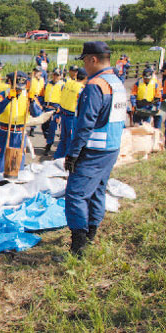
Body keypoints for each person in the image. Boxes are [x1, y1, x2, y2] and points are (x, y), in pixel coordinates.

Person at [65, 41, 127, 255]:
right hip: (110, 149)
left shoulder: (95, 85)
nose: (84, 67)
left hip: (92, 150)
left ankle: (79, 245)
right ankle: (91, 234)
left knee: (75, 194)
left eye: (84, 61)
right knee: (97, 190)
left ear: (93, 59)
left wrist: (73, 153)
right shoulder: (116, 83)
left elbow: (85, 123)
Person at [0, 71, 30, 172]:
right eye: (17, 86)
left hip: (19, 132)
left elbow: (37, 113)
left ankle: (17, 181)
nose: (19, 89)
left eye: (21, 86)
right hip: (5, 131)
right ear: (10, 82)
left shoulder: (27, 95)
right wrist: (8, 98)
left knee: (18, 160)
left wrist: (33, 101)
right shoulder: (3, 93)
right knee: (0, 160)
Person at [54, 68, 88, 159]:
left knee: (63, 138)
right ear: (85, 77)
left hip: (63, 112)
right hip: (72, 116)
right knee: (70, 139)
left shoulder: (68, 83)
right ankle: (65, 159)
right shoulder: (82, 88)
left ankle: (57, 157)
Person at [42, 68, 64, 156]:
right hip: (47, 106)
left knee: (52, 126)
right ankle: (48, 139)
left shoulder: (62, 85)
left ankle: (49, 144)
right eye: (54, 74)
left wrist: (60, 107)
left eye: (57, 75)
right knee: (44, 126)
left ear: (61, 76)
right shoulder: (48, 84)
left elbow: (64, 97)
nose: (55, 77)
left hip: (56, 108)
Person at [28, 66, 45, 137]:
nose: (36, 73)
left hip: (39, 97)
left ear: (40, 72)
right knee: (33, 113)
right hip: (32, 97)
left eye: (37, 71)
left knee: (37, 113)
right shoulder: (31, 79)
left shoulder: (42, 79)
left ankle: (33, 128)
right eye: (35, 71)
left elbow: (43, 89)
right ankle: (32, 128)